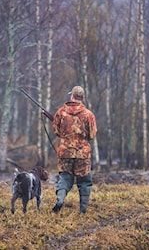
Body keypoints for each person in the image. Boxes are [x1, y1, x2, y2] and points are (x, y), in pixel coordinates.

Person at [51, 85, 97, 214]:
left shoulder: (60, 112)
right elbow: (92, 135)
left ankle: (60, 200)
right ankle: (82, 211)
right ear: (82, 98)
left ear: (72, 96)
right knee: (84, 182)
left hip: (65, 152)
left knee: (65, 178)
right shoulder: (89, 114)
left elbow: (56, 131)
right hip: (82, 153)